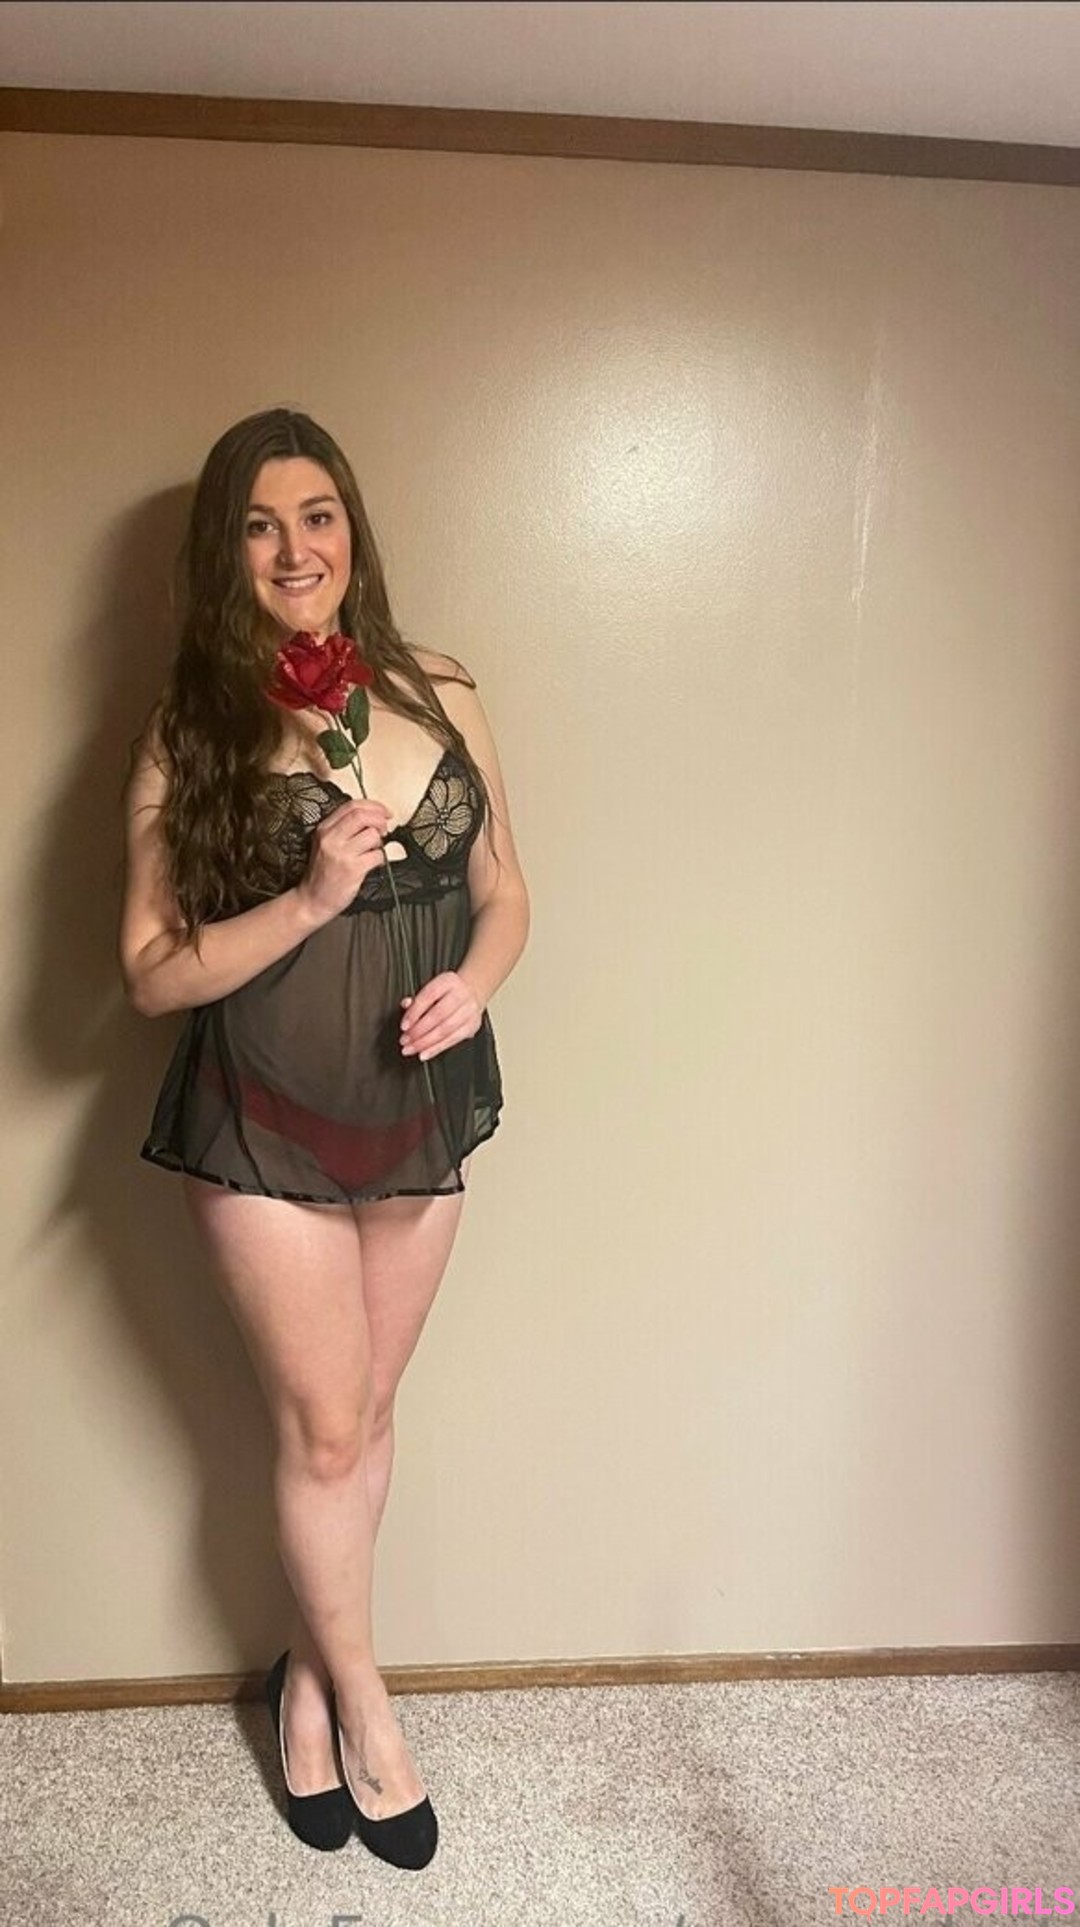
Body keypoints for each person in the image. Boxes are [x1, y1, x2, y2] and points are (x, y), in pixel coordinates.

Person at [119, 407, 530, 1868]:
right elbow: (150, 972)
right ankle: (366, 1706)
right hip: (264, 1125)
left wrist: (474, 988)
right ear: (223, 553)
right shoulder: (192, 729)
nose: (295, 549)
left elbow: (506, 890)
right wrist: (305, 901)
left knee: (369, 1417)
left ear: (353, 529)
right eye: (259, 524)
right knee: (327, 1428)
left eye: (317, 515)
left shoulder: (443, 688)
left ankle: (304, 1677)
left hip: (418, 1111)